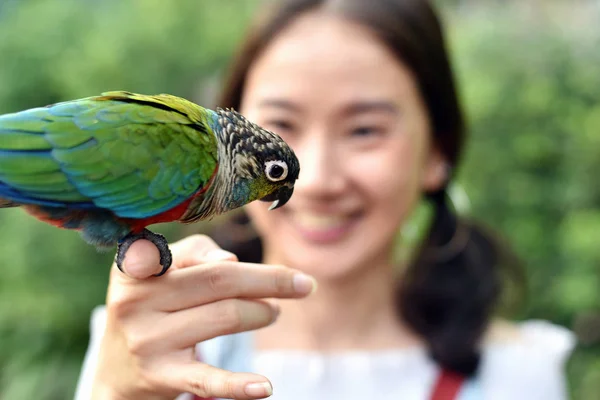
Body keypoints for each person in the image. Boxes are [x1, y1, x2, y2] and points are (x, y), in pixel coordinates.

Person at [74, 0, 576, 399]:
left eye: (364, 130)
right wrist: (116, 390)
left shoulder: (515, 376)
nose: (316, 180)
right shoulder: (145, 345)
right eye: (281, 125)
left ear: (437, 153)